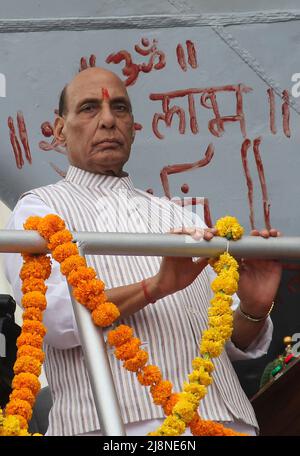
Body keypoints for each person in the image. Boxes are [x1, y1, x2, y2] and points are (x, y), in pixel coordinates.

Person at [4, 67, 282, 436]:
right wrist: (156, 287)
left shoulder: (179, 216)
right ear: (59, 130)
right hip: (115, 428)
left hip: (224, 424)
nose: (107, 121)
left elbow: (233, 343)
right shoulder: (39, 212)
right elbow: (55, 321)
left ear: (133, 126)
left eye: (119, 108)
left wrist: (254, 308)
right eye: (89, 108)